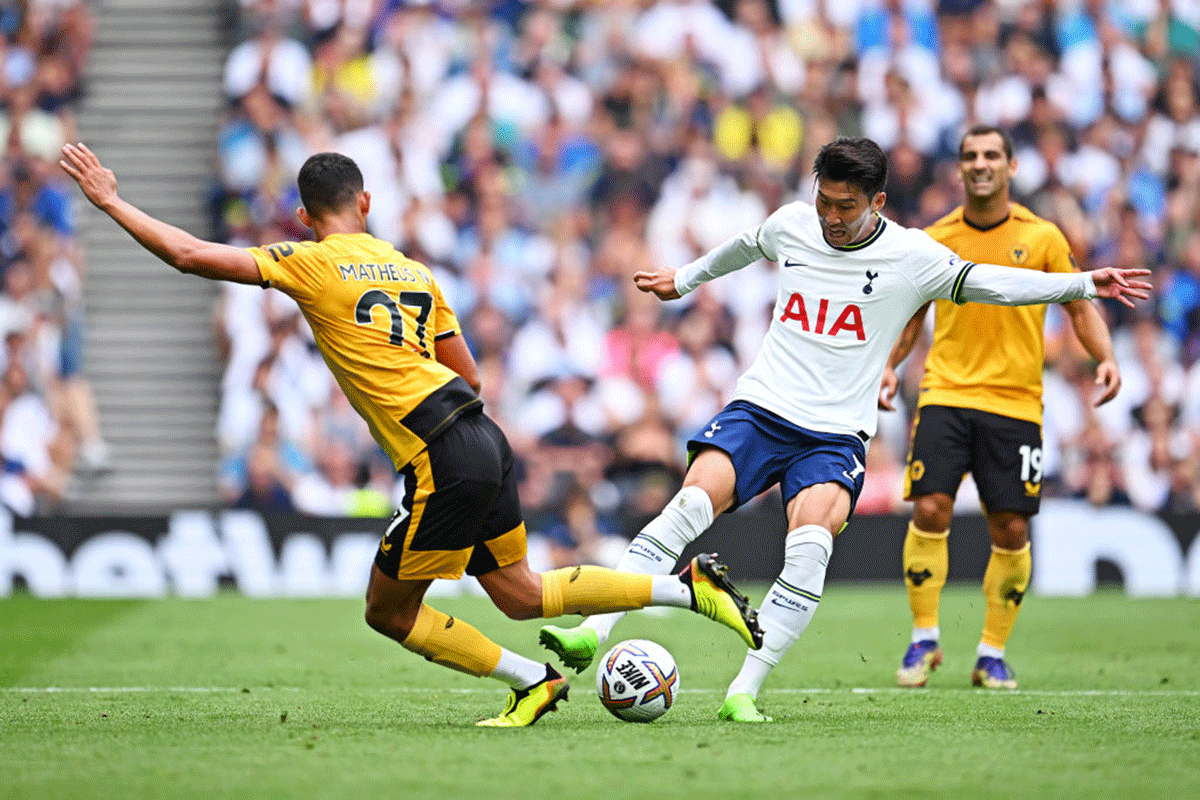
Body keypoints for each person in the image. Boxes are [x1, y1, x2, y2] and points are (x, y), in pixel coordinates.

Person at [59, 144, 763, 727]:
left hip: (440, 455)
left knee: (387, 611)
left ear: (304, 217)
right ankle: (684, 588)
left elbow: (188, 255)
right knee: (519, 592)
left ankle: (532, 682)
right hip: (483, 435)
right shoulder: (414, 273)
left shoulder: (309, 262)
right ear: (366, 203)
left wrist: (112, 202)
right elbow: (472, 376)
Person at [539, 136, 1150, 723]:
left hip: (834, 436)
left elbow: (994, 283)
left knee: (809, 548)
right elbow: (747, 245)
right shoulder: (793, 224)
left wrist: (1081, 283)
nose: (830, 216)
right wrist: (686, 278)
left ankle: (743, 691)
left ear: (877, 203)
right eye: (824, 201)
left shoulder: (913, 257)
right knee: (688, 507)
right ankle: (593, 632)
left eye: (845, 207)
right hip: (761, 409)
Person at [878, 125, 1123, 690]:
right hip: (947, 393)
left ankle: (991, 652)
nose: (980, 164)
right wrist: (889, 365)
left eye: (991, 155)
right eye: (970, 156)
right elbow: (912, 313)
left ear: (1011, 167)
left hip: (1015, 402)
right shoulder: (936, 238)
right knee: (930, 508)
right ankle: (923, 638)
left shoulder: (1042, 237)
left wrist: (1104, 357)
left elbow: (1079, 301)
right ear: (959, 169)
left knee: (1009, 526)